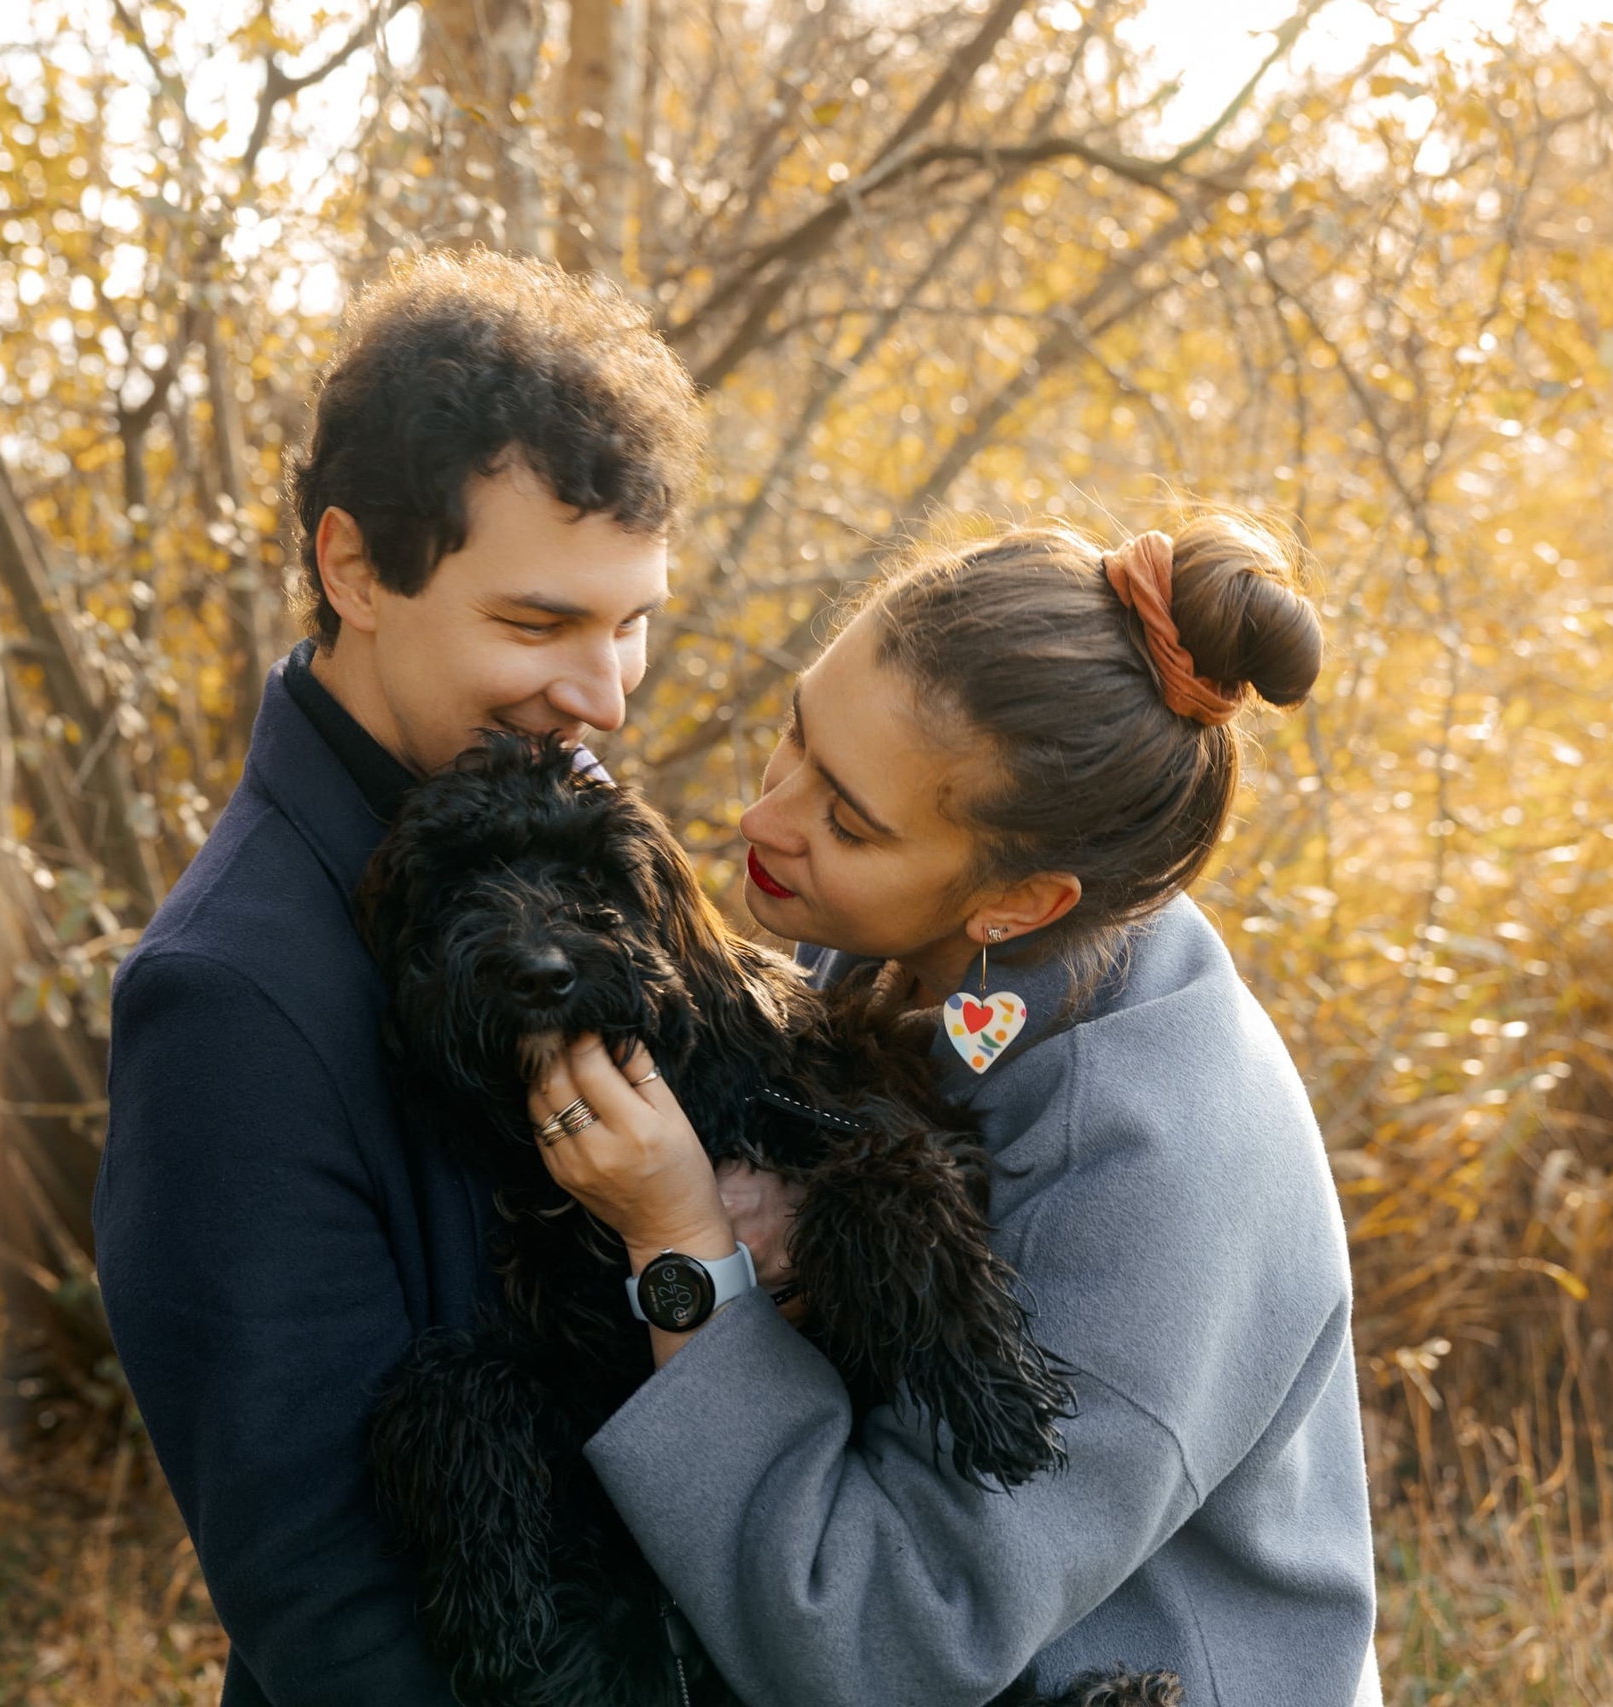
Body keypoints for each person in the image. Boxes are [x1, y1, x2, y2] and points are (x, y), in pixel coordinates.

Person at [528, 517, 1380, 1705]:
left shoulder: (1154, 1171)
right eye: (796, 734)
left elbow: (876, 1643)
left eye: (849, 821)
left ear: (1019, 900)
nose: (766, 819)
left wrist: (681, 1248)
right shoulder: (886, 961)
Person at [92, 249, 705, 1707]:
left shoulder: (564, 837)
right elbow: (336, 1603)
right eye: (538, 622)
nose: (607, 692)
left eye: (631, 619)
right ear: (353, 566)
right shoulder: (228, 996)